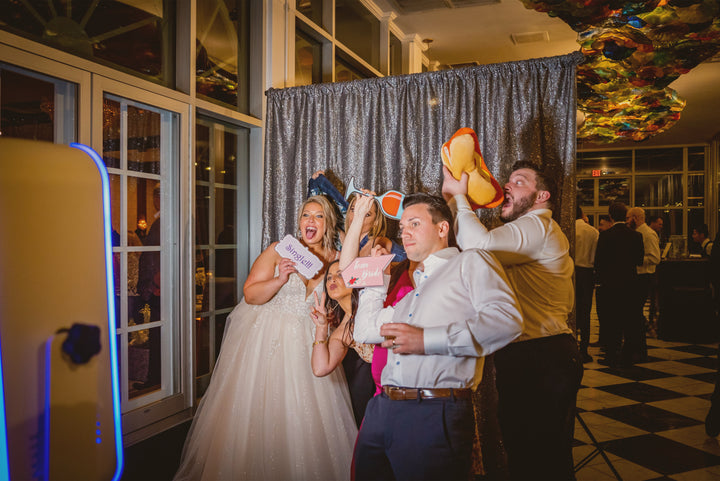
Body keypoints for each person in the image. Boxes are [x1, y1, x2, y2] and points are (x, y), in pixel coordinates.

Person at [174, 195, 358, 481]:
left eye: (318, 216)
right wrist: (280, 279)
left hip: (311, 343)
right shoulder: (280, 250)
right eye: (305, 215)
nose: (310, 221)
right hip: (267, 340)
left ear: (329, 223)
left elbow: (346, 298)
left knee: (306, 421)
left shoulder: (337, 260)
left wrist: (331, 318)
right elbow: (250, 294)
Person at [352, 193, 523, 481]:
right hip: (381, 411)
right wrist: (378, 278)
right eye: (402, 226)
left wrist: (426, 340)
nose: (404, 232)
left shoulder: (471, 261)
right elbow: (365, 330)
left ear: (442, 229)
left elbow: (507, 320)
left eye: (414, 224)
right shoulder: (411, 296)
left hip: (433, 409)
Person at [442, 161, 583, 480]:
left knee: (541, 460)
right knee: (528, 457)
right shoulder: (525, 233)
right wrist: (454, 199)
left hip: (544, 356)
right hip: (529, 356)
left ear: (541, 195)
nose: (507, 185)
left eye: (519, 181)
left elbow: (479, 248)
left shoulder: (539, 225)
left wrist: (460, 199)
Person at [309, 260, 374, 427]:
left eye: (339, 275)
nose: (332, 280)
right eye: (329, 277)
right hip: (376, 394)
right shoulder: (342, 331)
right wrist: (322, 328)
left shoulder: (372, 305)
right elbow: (320, 368)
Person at [595, 202, 644, 368]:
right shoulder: (636, 236)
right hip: (631, 284)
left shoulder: (605, 236)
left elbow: (598, 262)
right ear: (626, 216)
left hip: (611, 285)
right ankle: (627, 355)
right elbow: (639, 260)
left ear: (610, 216)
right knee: (629, 320)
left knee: (611, 321)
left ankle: (611, 355)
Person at [626, 207, 661, 359]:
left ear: (635, 217)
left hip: (644, 276)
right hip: (637, 276)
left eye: (628, 218)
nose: (627, 221)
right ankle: (635, 347)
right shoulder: (637, 233)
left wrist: (636, 260)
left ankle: (639, 349)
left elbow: (655, 258)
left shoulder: (647, 233)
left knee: (635, 313)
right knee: (634, 313)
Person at [575, 206, 599, 364]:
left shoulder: (567, 229)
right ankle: (583, 349)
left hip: (571, 271)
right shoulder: (593, 232)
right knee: (585, 311)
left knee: (569, 309)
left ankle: (570, 346)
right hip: (588, 273)